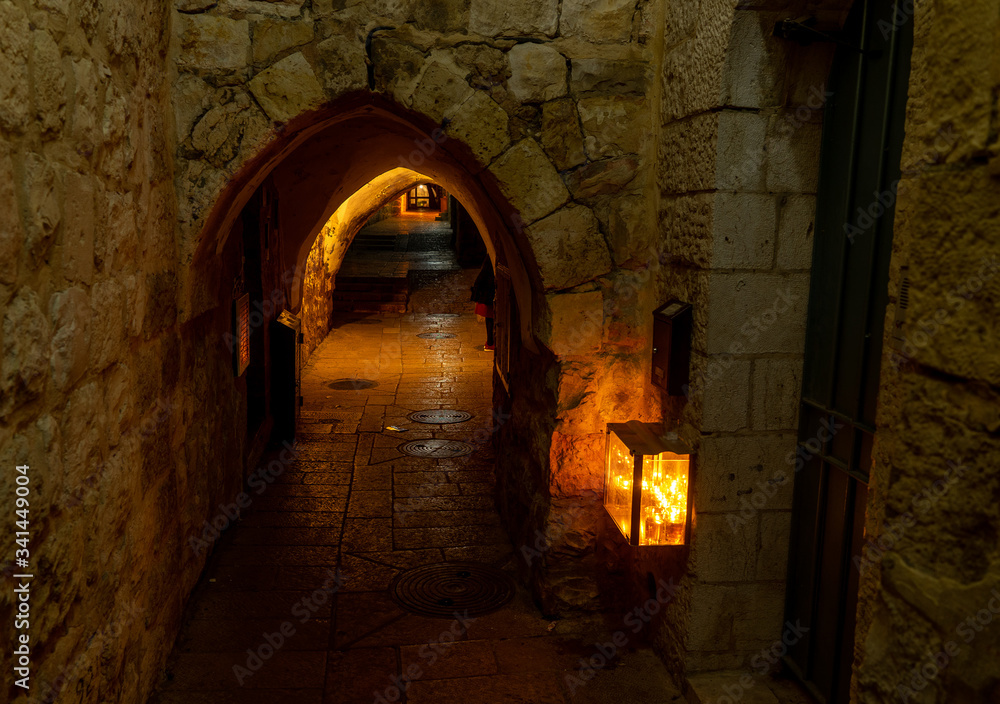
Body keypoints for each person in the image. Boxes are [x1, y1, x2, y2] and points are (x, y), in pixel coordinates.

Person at [470, 259, 496, 351]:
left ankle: (490, 342)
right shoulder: (491, 261)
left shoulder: (489, 260)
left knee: (490, 319)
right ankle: (490, 342)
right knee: (490, 318)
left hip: (487, 294)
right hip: (489, 294)